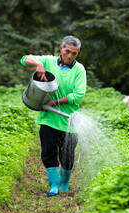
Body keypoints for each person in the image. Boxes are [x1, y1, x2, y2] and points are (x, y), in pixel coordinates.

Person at [20, 36, 86, 196]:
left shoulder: (79, 70)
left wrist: (55, 101)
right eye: (67, 51)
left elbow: (78, 95)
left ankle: (64, 184)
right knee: (48, 152)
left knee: (68, 155)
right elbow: (24, 59)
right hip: (48, 119)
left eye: (74, 53)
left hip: (69, 120)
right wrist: (38, 64)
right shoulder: (48, 61)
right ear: (61, 48)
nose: (69, 56)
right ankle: (54, 186)